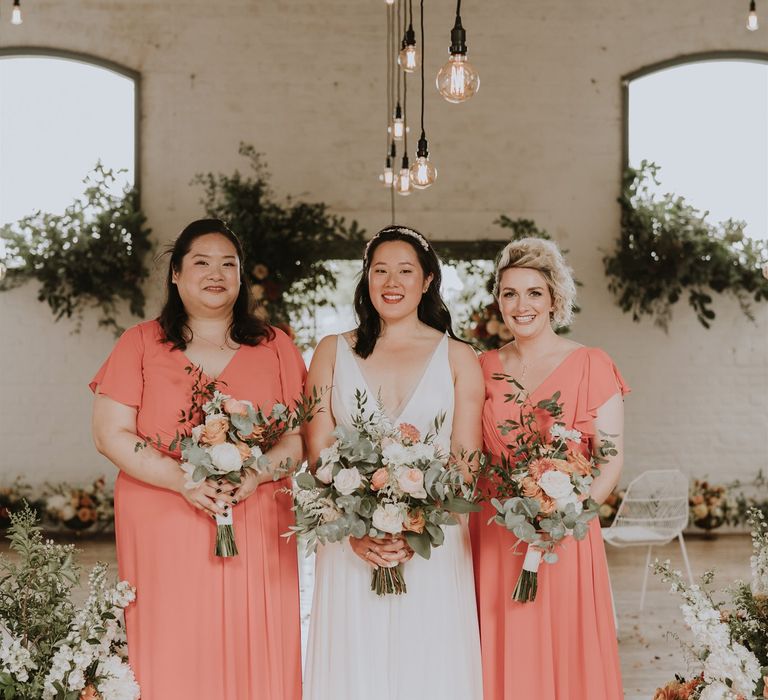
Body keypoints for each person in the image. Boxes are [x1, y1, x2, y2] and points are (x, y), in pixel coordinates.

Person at [90, 219, 305, 700]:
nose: (217, 273)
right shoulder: (140, 343)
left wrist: (257, 472)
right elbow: (110, 434)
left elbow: (298, 440)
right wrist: (181, 480)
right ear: (175, 273)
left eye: (229, 263)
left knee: (258, 642)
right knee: (176, 643)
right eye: (202, 262)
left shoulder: (275, 347)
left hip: (257, 516)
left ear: (241, 275)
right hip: (164, 515)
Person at [302, 225, 484, 700]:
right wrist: (357, 529)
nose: (391, 281)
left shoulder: (460, 358)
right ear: (366, 280)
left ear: (427, 281)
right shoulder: (331, 351)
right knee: (353, 668)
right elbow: (317, 452)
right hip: (349, 543)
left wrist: (414, 525)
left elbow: (466, 465)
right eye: (379, 270)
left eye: (405, 270)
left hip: (431, 546)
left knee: (431, 666)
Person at [470, 237, 627, 700]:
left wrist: (568, 516)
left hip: (566, 535)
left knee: (567, 644)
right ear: (499, 301)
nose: (521, 305)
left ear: (555, 298)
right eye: (510, 293)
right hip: (498, 533)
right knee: (504, 643)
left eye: (534, 292)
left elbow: (610, 458)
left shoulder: (591, 364)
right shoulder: (481, 367)